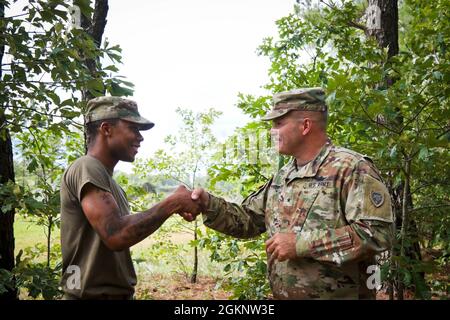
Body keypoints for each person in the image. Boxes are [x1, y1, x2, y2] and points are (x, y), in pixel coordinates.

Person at [182, 87, 395, 299]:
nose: (271, 132)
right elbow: (248, 220)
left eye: (278, 123)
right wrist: (206, 203)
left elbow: (377, 235)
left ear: (305, 126)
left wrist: (302, 244)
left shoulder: (351, 169)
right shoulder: (283, 177)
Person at [60, 96, 201, 300]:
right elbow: (116, 235)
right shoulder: (86, 167)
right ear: (107, 129)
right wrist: (172, 203)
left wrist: (172, 207)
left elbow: (122, 230)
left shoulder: (109, 182)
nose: (140, 137)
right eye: (133, 129)